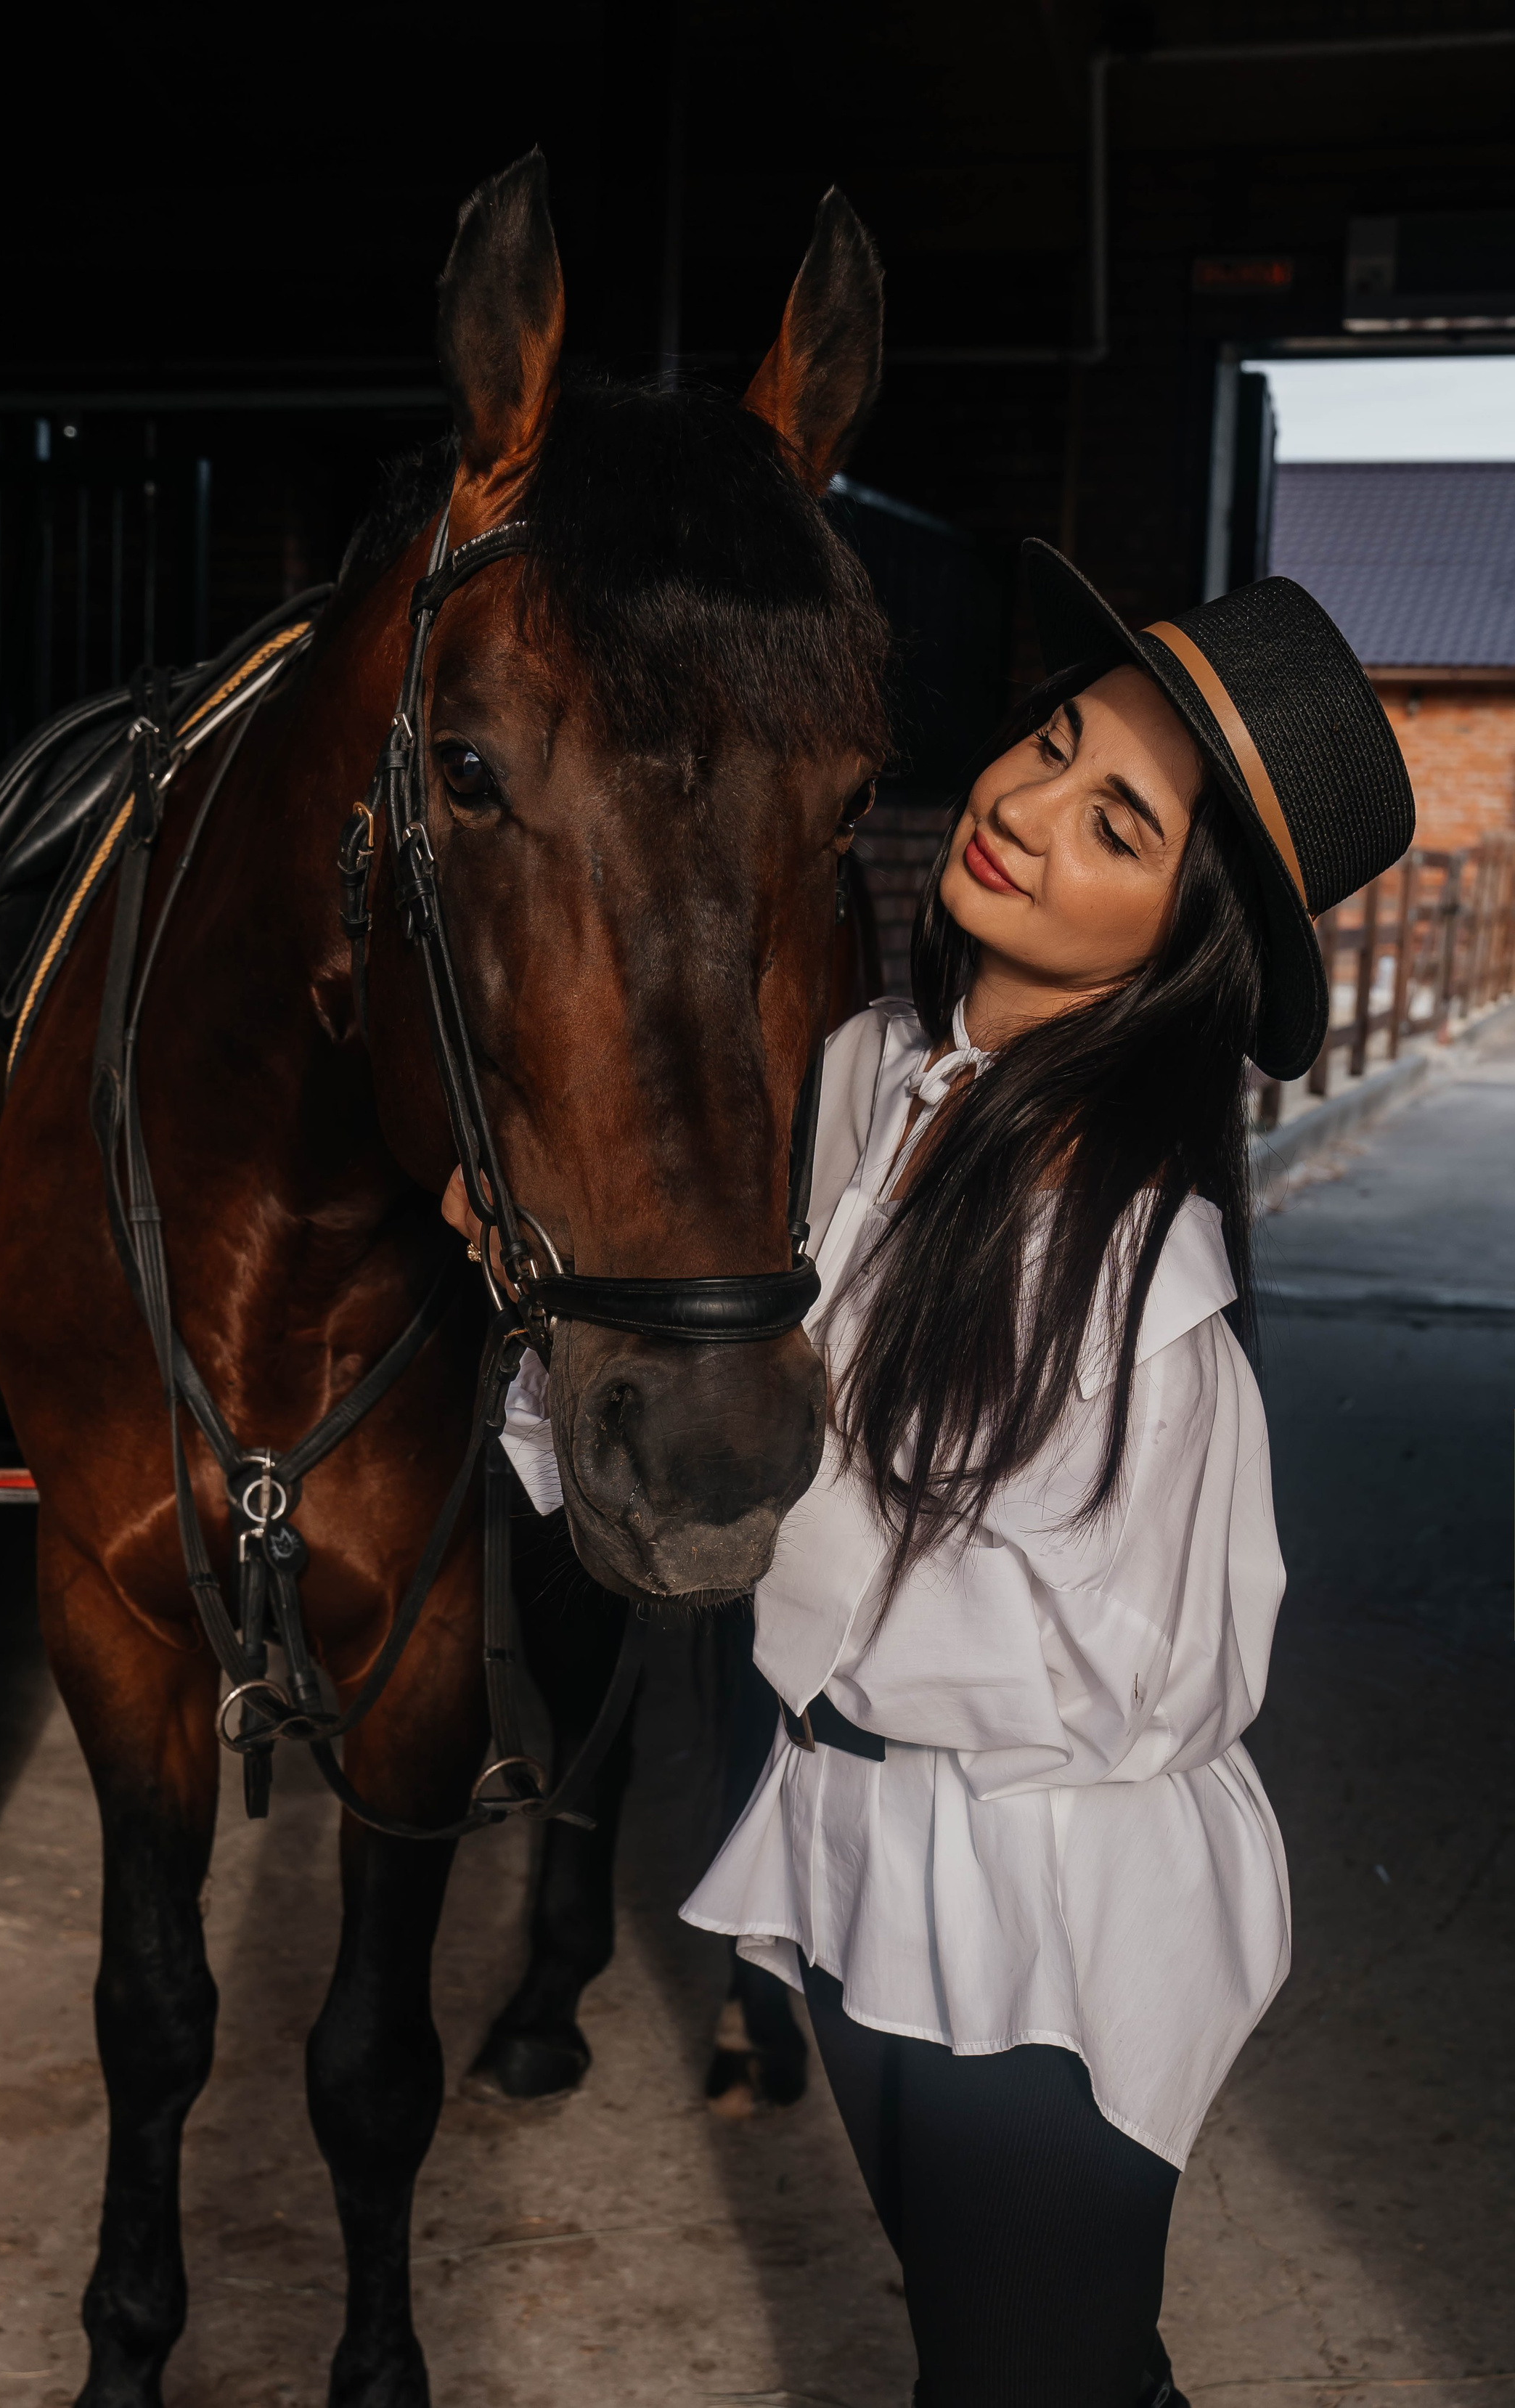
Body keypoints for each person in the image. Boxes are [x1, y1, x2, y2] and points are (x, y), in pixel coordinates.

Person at [465, 541, 1416, 2408]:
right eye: (1051, 746)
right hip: (860, 1855)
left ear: (1179, 940)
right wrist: (554, 1319)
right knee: (1029, 2363)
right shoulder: (861, 1077)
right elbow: (695, 1409)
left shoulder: (1136, 1265)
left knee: (1024, 2380)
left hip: (1043, 1907)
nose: (1027, 809)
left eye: (1116, 823)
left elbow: (1131, 1673)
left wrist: (768, 1498)